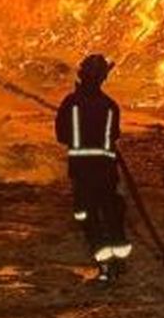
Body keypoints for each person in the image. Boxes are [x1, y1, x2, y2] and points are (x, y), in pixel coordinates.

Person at [55, 54, 131, 282]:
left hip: (82, 171)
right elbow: (114, 136)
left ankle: (105, 266)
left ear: (81, 74)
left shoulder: (71, 102)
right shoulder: (110, 105)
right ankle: (119, 264)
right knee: (111, 215)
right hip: (107, 171)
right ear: (103, 78)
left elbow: (61, 135)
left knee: (87, 217)